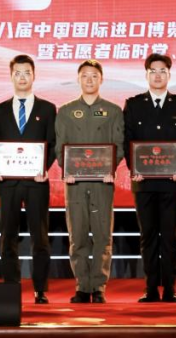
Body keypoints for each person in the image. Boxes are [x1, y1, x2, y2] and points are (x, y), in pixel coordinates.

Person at [123, 53, 176, 303]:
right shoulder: (134, 105)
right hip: (143, 182)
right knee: (148, 236)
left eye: (162, 71)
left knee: (170, 236)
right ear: (146, 75)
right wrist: (134, 167)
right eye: (153, 71)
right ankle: (151, 288)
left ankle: (170, 288)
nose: (157, 75)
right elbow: (127, 140)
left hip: (172, 182)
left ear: (169, 75)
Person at [55, 59, 125, 303]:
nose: (89, 80)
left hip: (102, 182)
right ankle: (82, 287)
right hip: (74, 182)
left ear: (101, 79)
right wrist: (66, 167)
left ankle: (99, 287)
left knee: (103, 235)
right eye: (85, 75)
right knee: (78, 235)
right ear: (78, 79)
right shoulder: (66, 111)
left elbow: (118, 145)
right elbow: (59, 145)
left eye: (94, 75)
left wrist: (111, 167)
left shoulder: (113, 111)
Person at [0, 55, 56, 305]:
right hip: (7, 182)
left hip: (36, 182)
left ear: (34, 75)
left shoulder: (47, 109)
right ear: (11, 76)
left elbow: (52, 143)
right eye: (17, 73)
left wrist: (44, 168)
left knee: (40, 237)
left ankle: (40, 289)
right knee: (8, 236)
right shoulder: (0, 110)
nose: (22, 77)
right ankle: (11, 287)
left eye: (27, 72)